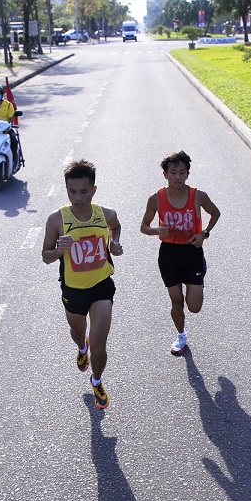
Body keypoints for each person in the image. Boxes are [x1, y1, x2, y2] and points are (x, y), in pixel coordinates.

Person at [41, 160, 124, 409]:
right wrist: (58, 251)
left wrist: (114, 243)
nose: (78, 197)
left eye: (84, 191)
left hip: (101, 286)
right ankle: (81, 346)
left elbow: (116, 227)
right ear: (66, 190)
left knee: (100, 345)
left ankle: (97, 379)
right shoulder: (57, 219)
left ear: (94, 190)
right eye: (72, 191)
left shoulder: (105, 214)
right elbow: (45, 256)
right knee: (79, 333)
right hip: (73, 291)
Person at [139, 151, 221, 356]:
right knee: (176, 301)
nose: (177, 176)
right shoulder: (156, 198)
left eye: (182, 172)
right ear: (165, 174)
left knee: (194, 307)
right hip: (168, 254)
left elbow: (215, 213)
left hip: (192, 252)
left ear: (188, 174)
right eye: (173, 172)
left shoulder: (198, 196)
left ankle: (198, 279)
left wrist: (204, 234)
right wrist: (157, 231)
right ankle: (181, 335)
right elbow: (143, 226)